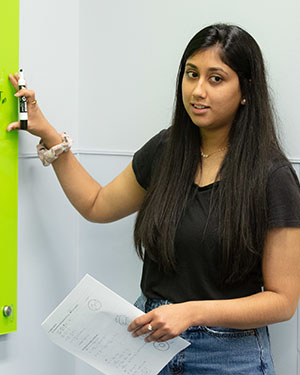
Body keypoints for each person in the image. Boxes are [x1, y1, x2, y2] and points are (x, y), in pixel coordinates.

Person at [8, 23, 300, 374]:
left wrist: (192, 311)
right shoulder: (166, 149)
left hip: (227, 357)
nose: (197, 90)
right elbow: (96, 205)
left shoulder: (273, 176)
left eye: (216, 78)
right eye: (191, 74)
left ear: (246, 91)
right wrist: (48, 133)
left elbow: (282, 301)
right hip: (149, 344)